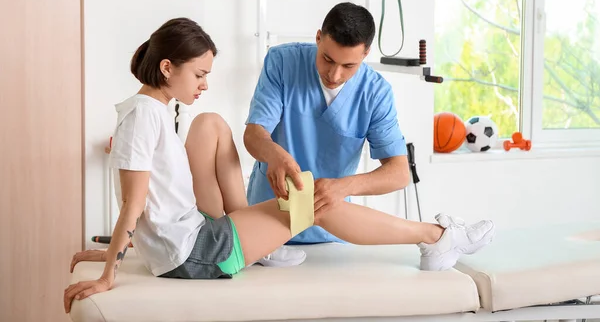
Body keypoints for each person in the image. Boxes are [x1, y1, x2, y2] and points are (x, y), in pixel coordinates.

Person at [63, 17, 495, 314]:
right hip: (199, 251)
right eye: (199, 75)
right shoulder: (145, 115)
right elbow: (134, 204)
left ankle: (432, 236)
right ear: (166, 67)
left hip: (194, 237)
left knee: (213, 125)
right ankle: (438, 236)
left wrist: (122, 250)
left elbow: (157, 204)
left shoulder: (150, 110)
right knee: (312, 201)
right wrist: (107, 274)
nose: (205, 84)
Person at [245, 2, 414, 244]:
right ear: (318, 37)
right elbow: (253, 134)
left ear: (365, 54)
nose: (334, 75)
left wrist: (345, 187)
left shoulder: (376, 93)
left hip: (329, 231)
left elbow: (399, 174)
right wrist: (272, 153)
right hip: (267, 222)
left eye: (348, 66)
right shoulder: (282, 62)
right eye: (327, 59)